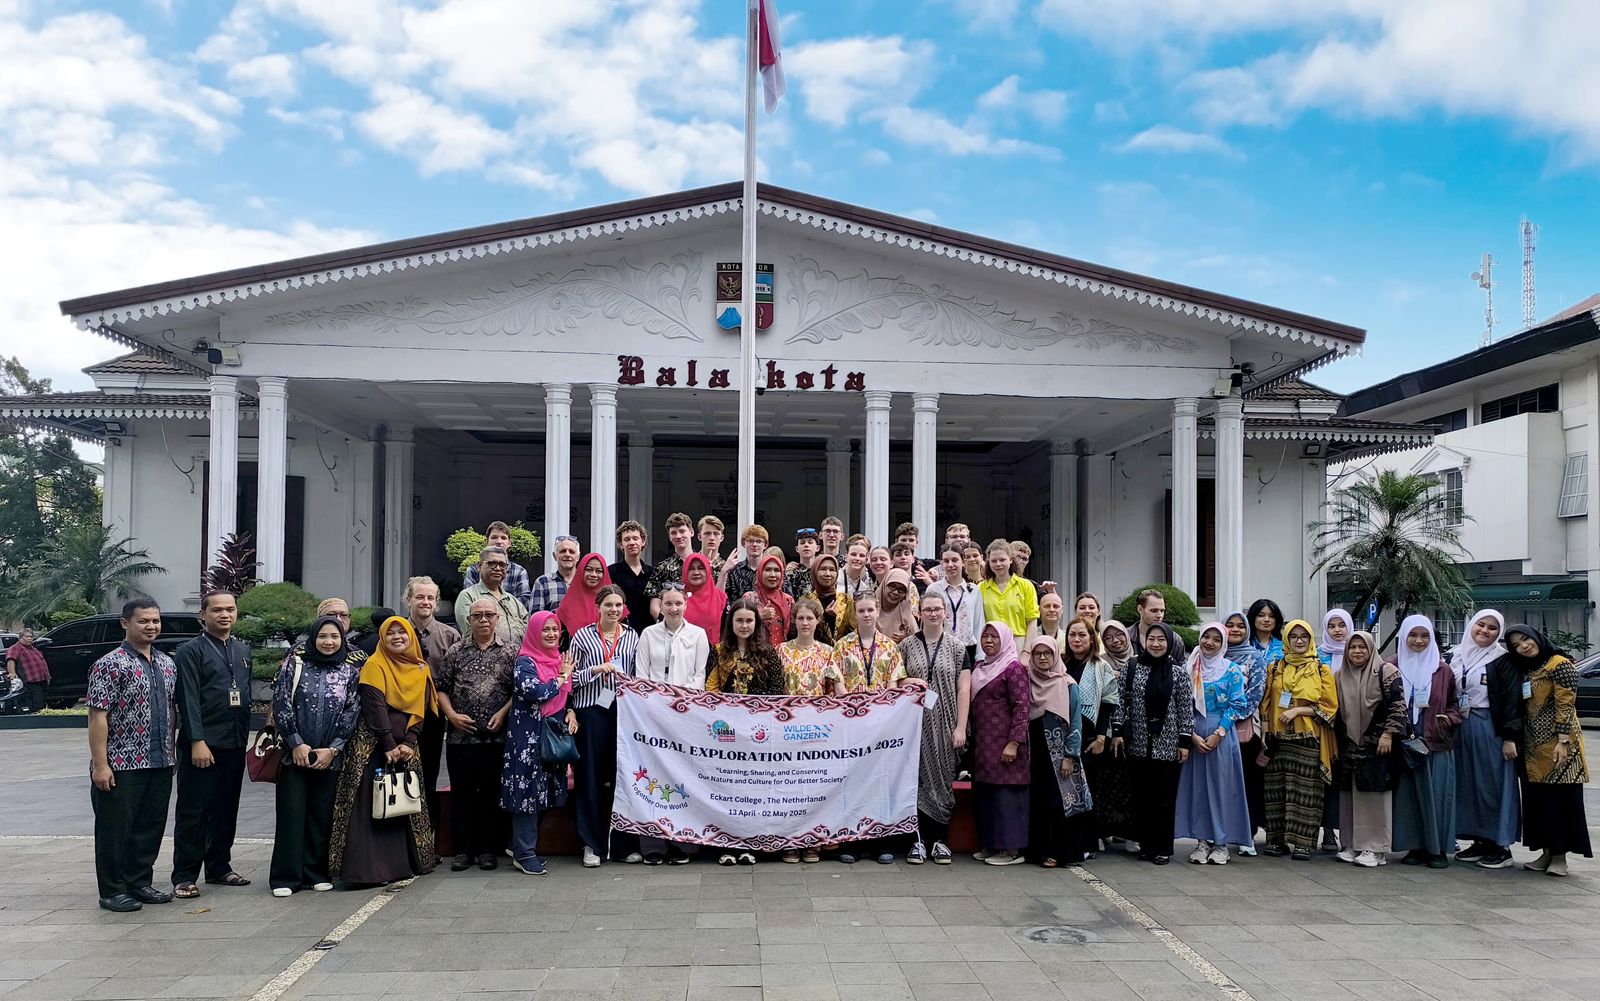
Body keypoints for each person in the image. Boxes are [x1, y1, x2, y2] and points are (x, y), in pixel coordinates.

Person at [328, 617, 438, 885]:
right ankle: (368, 871)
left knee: (404, 802)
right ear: (382, 637)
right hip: (374, 747)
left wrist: (410, 742)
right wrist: (388, 744)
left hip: (406, 748)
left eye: (403, 632)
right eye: (392, 633)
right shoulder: (374, 665)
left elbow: (421, 709)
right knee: (371, 804)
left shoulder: (420, 668)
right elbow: (374, 707)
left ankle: (406, 864)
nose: (398, 637)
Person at [86, 597, 178, 913]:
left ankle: (139, 883)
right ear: (126, 623)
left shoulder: (167, 664)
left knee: (149, 827)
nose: (151, 626)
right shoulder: (109, 664)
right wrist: (101, 765)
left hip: (160, 761)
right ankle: (112, 891)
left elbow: (172, 712)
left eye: (155, 621)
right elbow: (97, 716)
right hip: (121, 764)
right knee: (114, 830)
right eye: (143, 621)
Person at [269, 615, 362, 896]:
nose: (329, 642)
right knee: (291, 814)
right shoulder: (294, 666)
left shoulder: (350, 672)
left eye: (334, 637)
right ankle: (286, 877)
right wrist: (296, 743)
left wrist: (334, 748)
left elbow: (352, 710)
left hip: (328, 756)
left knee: (321, 816)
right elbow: (282, 704)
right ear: (312, 639)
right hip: (295, 754)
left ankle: (315, 872)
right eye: (323, 636)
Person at [171, 590, 253, 898]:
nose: (224, 615)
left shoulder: (242, 649)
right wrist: (197, 741)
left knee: (226, 808)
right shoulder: (190, 651)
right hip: (203, 744)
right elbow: (188, 699)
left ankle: (219, 866)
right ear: (203, 615)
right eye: (217, 610)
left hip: (234, 742)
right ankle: (184, 875)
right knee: (194, 810)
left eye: (230, 609)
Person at [1504, 624, 1591, 876]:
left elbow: (1566, 704)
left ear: (1536, 637)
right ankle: (1546, 853)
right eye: (1517, 645)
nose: (1523, 646)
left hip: (1560, 746)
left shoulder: (1559, 664)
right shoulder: (1528, 668)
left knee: (1560, 801)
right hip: (1532, 748)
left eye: (1525, 639)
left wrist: (1563, 741)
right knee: (1539, 801)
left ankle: (1560, 858)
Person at [436, 597, 515, 873]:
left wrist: (503, 712)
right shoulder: (456, 651)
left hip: (496, 738)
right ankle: (463, 850)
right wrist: (452, 716)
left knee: (491, 795)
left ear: (497, 619)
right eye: (477, 615)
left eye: (488, 615)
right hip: (461, 738)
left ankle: (487, 850)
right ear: (468, 620)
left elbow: (519, 692)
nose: (483, 619)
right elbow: (441, 688)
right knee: (462, 795)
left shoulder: (510, 652)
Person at [567, 584, 639, 867]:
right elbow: (568, 680)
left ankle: (621, 844)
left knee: (620, 777)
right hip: (590, 712)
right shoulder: (582, 636)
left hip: (621, 712)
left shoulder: (632, 637)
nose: (613, 610)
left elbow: (637, 675)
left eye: (618, 605)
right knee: (590, 778)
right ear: (597, 607)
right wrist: (595, 670)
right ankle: (591, 844)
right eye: (608, 605)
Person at [900, 592, 971, 866]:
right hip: (913, 726)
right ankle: (916, 841)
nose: (932, 614)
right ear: (919, 612)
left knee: (941, 779)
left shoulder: (957, 647)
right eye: (927, 609)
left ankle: (940, 840)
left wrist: (961, 727)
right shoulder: (906, 645)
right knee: (914, 780)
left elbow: (964, 688)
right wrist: (909, 680)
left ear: (945, 613)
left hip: (945, 724)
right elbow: (896, 679)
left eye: (937, 609)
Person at [1113, 623, 1192, 865]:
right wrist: (1117, 730)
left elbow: (1185, 709)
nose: (1156, 644)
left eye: (1161, 639)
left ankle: (1162, 848)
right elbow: (1120, 701)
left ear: (1169, 642)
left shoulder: (1178, 673)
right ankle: (1145, 845)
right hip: (1137, 743)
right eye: (1151, 639)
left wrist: (1184, 740)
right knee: (1142, 798)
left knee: (1164, 799)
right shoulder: (1133, 667)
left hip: (1167, 747)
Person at [502, 611, 574, 876]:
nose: (552, 634)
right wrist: (561, 678)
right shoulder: (526, 661)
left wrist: (571, 711)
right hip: (528, 737)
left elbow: (566, 696)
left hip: (551, 734)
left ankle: (517, 846)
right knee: (527, 794)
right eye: (545, 630)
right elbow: (535, 692)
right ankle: (524, 853)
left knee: (546, 792)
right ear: (534, 632)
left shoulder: (557, 660)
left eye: (555, 629)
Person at [1259, 619, 1338, 861]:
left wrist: (1297, 711)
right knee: (1277, 791)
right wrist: (1264, 732)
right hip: (1278, 739)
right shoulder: (1275, 667)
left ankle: (1303, 844)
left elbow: (1330, 707)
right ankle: (1276, 840)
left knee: (1306, 793)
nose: (1299, 640)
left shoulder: (1321, 669)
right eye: (1294, 636)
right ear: (1286, 640)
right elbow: (1266, 703)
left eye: (1304, 636)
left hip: (1307, 739)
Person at [1174, 623, 1252, 865]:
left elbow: (1238, 705)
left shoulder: (1232, 671)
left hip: (1221, 736)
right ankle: (1201, 841)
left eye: (1216, 639)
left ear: (1223, 644)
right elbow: (1181, 704)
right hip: (1194, 735)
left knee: (1221, 788)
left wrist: (1219, 733)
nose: (1209, 642)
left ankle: (1221, 843)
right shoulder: (1189, 669)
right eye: (1205, 637)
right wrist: (1192, 736)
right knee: (1197, 789)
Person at [1390, 615, 1461, 868]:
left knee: (1438, 796)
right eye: (1413, 635)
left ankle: (1438, 849)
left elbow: (1455, 702)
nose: (1418, 641)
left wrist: (1449, 719)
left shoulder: (1442, 670)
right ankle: (1415, 846)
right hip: (1405, 741)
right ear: (1404, 637)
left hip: (1435, 740)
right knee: (1408, 796)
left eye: (1424, 636)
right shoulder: (1391, 666)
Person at [1452, 609, 1520, 869]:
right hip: (1462, 727)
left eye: (1492, 628)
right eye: (1481, 624)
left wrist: (1509, 737)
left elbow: (1513, 700)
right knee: (1469, 785)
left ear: (1499, 633)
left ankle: (1500, 845)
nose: (1485, 631)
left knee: (1494, 785)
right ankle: (1479, 839)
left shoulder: (1503, 660)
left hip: (1491, 727)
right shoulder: (1457, 655)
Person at [1332, 630, 1405, 868]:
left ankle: (1375, 848)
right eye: (1352, 647)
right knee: (1350, 796)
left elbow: (1398, 705)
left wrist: (1388, 734)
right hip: (1349, 746)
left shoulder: (1386, 672)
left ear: (1371, 649)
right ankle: (1353, 844)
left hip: (1377, 744)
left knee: (1375, 796)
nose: (1357, 651)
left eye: (1362, 647)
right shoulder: (1339, 675)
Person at [1025, 635, 1090, 868]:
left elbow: (1075, 722)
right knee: (1039, 802)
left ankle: (1060, 852)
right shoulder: (1027, 681)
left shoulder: (1068, 684)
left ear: (1055, 655)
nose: (1042, 658)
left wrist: (1070, 756)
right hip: (1035, 754)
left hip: (1059, 755)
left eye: (1047, 653)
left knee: (1059, 803)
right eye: (1037, 654)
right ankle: (1038, 851)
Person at [970, 623, 1031, 866]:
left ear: (1005, 640)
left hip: (1006, 743)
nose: (988, 641)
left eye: (994, 637)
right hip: (984, 743)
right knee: (987, 795)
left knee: (1007, 797)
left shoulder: (1013, 668)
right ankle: (991, 844)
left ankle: (1011, 850)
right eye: (985, 637)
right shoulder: (980, 667)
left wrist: (1014, 742)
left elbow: (1022, 706)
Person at [405, 576, 458, 832]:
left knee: (430, 773)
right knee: (403, 775)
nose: (425, 602)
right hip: (401, 716)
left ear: (436, 603)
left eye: (430, 598)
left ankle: (429, 835)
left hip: (434, 715)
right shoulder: (395, 632)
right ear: (408, 600)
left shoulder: (449, 636)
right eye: (419, 597)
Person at [1222, 611, 1268, 856]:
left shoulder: (1255, 658)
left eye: (1241, 626)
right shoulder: (1215, 655)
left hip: (1243, 731)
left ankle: (1246, 834)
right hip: (1216, 731)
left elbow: (1255, 696)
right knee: (1224, 784)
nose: (1236, 630)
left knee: (1247, 782)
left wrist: (1228, 719)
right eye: (1231, 625)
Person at [1314, 608, 1355, 852]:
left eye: (1342, 625)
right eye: (1332, 626)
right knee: (1324, 776)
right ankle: (1327, 830)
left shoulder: (1359, 653)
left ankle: (1348, 831)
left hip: (1352, 726)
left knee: (1346, 780)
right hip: (1324, 725)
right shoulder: (1318, 657)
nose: (1337, 630)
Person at [1092, 620, 1136, 847]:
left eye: (1118, 635)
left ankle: (1129, 833)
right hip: (1107, 731)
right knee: (1106, 785)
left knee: (1130, 786)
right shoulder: (1099, 663)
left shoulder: (1138, 661)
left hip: (1134, 732)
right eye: (1108, 638)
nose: (1115, 640)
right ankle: (1102, 832)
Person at [707, 597, 786, 701]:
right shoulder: (719, 650)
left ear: (756, 623)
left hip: (760, 712)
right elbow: (711, 689)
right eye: (739, 620)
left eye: (749, 621)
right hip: (726, 712)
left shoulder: (767, 652)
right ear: (731, 622)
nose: (744, 626)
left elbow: (777, 690)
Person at [636, 583, 711, 688]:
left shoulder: (699, 634)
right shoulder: (648, 634)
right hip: (654, 699)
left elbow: (700, 675)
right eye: (668, 603)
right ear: (661, 605)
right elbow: (641, 674)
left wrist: (685, 698)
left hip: (688, 699)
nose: (674, 609)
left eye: (678, 603)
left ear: (686, 605)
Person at [832, 595, 910, 697]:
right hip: (850, 707)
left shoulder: (890, 646)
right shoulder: (841, 645)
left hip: (881, 707)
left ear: (877, 612)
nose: (866, 614)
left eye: (870, 610)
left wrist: (885, 704)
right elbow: (838, 681)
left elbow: (893, 681)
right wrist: (850, 704)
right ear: (855, 614)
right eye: (861, 611)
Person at [454, 546, 530, 646]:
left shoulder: (512, 600)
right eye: (492, 564)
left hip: (518, 657)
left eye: (502, 565)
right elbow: (471, 633)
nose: (498, 568)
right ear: (479, 566)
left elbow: (529, 630)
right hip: (484, 658)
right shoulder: (468, 596)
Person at [927, 545, 983, 662]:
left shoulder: (973, 590)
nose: (950, 565)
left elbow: (979, 623)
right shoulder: (933, 589)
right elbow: (927, 623)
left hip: (968, 648)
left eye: (955, 560)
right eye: (946, 561)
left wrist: (980, 656)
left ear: (963, 561)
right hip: (941, 647)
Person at [978, 539, 1039, 639]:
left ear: (1010, 560)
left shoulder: (1026, 586)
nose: (998, 564)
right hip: (991, 641)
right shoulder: (981, 588)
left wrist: (1027, 650)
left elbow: (1032, 621)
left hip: (1018, 641)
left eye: (1002, 560)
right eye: (993, 561)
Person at [463, 521, 532, 607]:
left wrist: (500, 610)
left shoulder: (519, 571)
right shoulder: (473, 570)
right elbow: (469, 599)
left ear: (509, 543)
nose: (499, 541)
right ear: (486, 541)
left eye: (503, 538)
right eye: (494, 537)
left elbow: (524, 601)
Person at [780, 597, 836, 699]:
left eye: (809, 618)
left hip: (817, 711)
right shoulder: (781, 650)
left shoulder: (828, 652)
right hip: (788, 711)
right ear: (794, 620)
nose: (805, 623)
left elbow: (831, 689)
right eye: (801, 618)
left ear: (817, 620)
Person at [646, 514, 697, 620]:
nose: (678, 536)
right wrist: (667, 623)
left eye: (682, 531)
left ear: (691, 532)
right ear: (669, 537)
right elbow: (654, 606)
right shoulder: (662, 568)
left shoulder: (704, 566)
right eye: (674, 533)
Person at [609, 520, 655, 629]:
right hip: (621, 633)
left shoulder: (653, 573)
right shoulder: (611, 572)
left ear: (642, 542)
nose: (631, 542)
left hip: (648, 632)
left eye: (635, 538)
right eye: (627, 539)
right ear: (621, 544)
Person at [557, 553, 613, 641]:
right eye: (589, 570)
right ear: (581, 571)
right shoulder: (568, 603)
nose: (593, 575)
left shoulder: (614, 603)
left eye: (599, 571)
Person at [744, 552, 794, 648]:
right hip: (756, 654)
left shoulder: (788, 600)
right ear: (760, 572)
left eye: (777, 570)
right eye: (767, 570)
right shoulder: (750, 598)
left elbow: (794, 632)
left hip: (782, 655)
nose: (772, 575)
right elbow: (739, 626)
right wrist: (759, 617)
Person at [681, 553, 727, 645]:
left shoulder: (721, 598)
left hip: (714, 654)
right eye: (691, 569)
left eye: (701, 568)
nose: (696, 572)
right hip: (684, 653)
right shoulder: (679, 599)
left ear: (708, 571)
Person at [530, 534, 581, 614]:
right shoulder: (542, 582)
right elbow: (536, 617)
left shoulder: (585, 581)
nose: (567, 555)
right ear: (554, 556)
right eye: (562, 551)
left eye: (572, 552)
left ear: (578, 557)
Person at [1129, 589, 1186, 661]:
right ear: (1140, 609)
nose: (1159, 615)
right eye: (1154, 611)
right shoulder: (1126, 637)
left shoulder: (1175, 639)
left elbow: (1182, 668)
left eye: (1162, 611)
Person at [720, 524, 769, 604]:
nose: (754, 544)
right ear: (743, 543)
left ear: (765, 545)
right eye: (750, 541)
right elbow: (729, 600)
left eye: (759, 541)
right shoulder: (734, 571)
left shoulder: (773, 570)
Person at [4, 628, 49, 713]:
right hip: (30, 681)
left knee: (42, 701)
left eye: (31, 637)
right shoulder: (15, 648)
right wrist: (12, 672)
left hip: (41, 680)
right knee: (36, 703)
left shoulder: (33, 648)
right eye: (27, 636)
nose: (29, 638)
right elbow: (11, 660)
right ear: (20, 638)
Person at [874, 567, 920, 644]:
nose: (895, 592)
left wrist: (906, 641)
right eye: (892, 586)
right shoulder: (869, 610)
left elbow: (917, 645)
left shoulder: (906, 615)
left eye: (901, 589)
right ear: (885, 584)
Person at [785, 527, 820, 598]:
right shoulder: (791, 574)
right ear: (797, 549)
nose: (806, 545)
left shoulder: (822, 571)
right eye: (802, 542)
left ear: (817, 548)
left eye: (810, 542)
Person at [698, 514, 727, 578]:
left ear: (721, 538)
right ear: (699, 537)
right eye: (707, 533)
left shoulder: (727, 568)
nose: (712, 538)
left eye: (716, 534)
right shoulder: (690, 564)